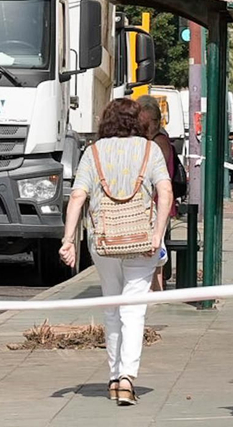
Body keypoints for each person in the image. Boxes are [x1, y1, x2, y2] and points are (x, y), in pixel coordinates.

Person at [59, 97, 173, 408]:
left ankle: (113, 376)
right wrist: (158, 234)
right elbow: (165, 191)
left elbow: (77, 196)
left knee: (111, 306)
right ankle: (127, 378)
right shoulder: (150, 150)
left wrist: (68, 240)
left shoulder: (93, 153)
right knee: (133, 309)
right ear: (139, 121)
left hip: (104, 242)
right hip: (142, 241)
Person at [136, 95, 183, 291]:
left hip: (157, 203)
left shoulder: (159, 142)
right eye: (141, 122)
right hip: (150, 204)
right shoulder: (148, 141)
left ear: (156, 121)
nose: (145, 127)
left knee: (155, 248)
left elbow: (159, 176)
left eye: (148, 122)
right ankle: (153, 288)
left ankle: (155, 290)